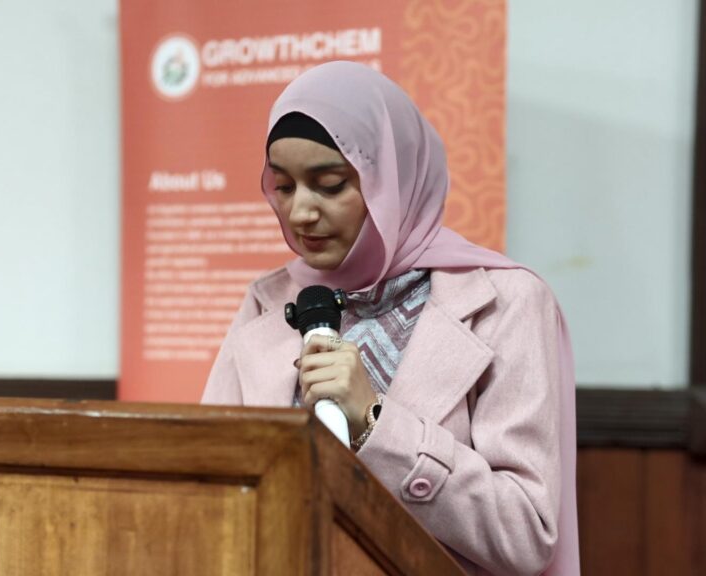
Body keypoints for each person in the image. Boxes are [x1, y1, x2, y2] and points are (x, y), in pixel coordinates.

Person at [201, 61, 578, 576]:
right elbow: (212, 482)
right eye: (284, 186)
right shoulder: (268, 301)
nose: (301, 212)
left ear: (393, 180)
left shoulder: (507, 301)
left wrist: (376, 421)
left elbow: (525, 532)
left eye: (330, 184)